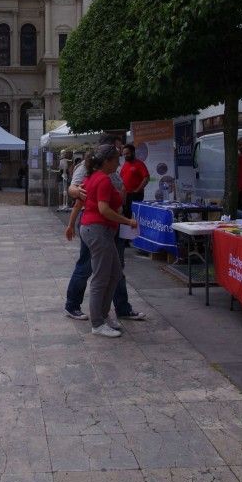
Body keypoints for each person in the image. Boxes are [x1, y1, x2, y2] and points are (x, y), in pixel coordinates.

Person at [65, 138, 145, 322]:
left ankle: (120, 308)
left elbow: (117, 190)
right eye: (117, 154)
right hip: (96, 224)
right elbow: (75, 192)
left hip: (110, 224)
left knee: (116, 268)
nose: (120, 159)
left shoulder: (110, 172)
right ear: (106, 156)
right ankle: (81, 309)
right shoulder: (92, 173)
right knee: (89, 268)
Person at [79, 145, 138, 337]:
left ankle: (103, 316)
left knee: (114, 274)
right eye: (116, 159)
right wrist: (128, 221)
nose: (119, 162)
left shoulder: (93, 176)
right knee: (101, 278)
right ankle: (97, 323)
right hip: (98, 230)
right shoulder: (102, 179)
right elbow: (103, 209)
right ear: (107, 161)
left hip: (98, 230)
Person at [120, 143, 150, 217]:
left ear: (133, 152)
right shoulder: (125, 164)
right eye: (124, 154)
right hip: (126, 195)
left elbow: (146, 178)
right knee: (126, 214)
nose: (125, 156)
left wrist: (137, 190)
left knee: (134, 215)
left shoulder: (139, 164)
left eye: (127, 153)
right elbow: (122, 178)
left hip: (135, 194)